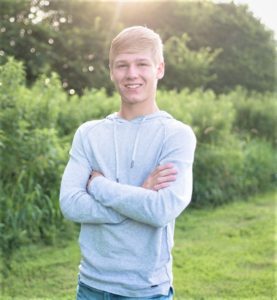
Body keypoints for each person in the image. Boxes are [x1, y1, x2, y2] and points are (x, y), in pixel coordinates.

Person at [60, 26, 196, 300]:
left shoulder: (176, 135)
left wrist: (98, 185)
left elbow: (161, 209)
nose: (131, 73)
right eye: (122, 65)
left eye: (141, 64)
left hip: (146, 290)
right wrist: (140, 195)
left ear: (159, 69)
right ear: (111, 71)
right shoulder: (89, 133)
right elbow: (71, 204)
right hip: (90, 286)